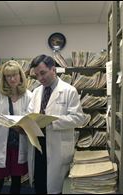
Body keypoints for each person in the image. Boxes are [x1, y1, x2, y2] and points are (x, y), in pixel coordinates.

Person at [27, 54, 85, 194]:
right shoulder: (36, 92)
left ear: (53, 69)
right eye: (36, 75)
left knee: (55, 189)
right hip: (38, 145)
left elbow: (78, 118)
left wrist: (51, 121)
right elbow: (29, 114)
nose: (40, 78)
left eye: (43, 73)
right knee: (39, 184)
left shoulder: (69, 91)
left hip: (57, 147)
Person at [0, 60, 32, 194]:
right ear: (3, 78)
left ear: (20, 75)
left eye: (14, 75)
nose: (12, 79)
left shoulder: (28, 95)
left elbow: (30, 120)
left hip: (19, 145)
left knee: (16, 181)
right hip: (0, 145)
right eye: (8, 76)